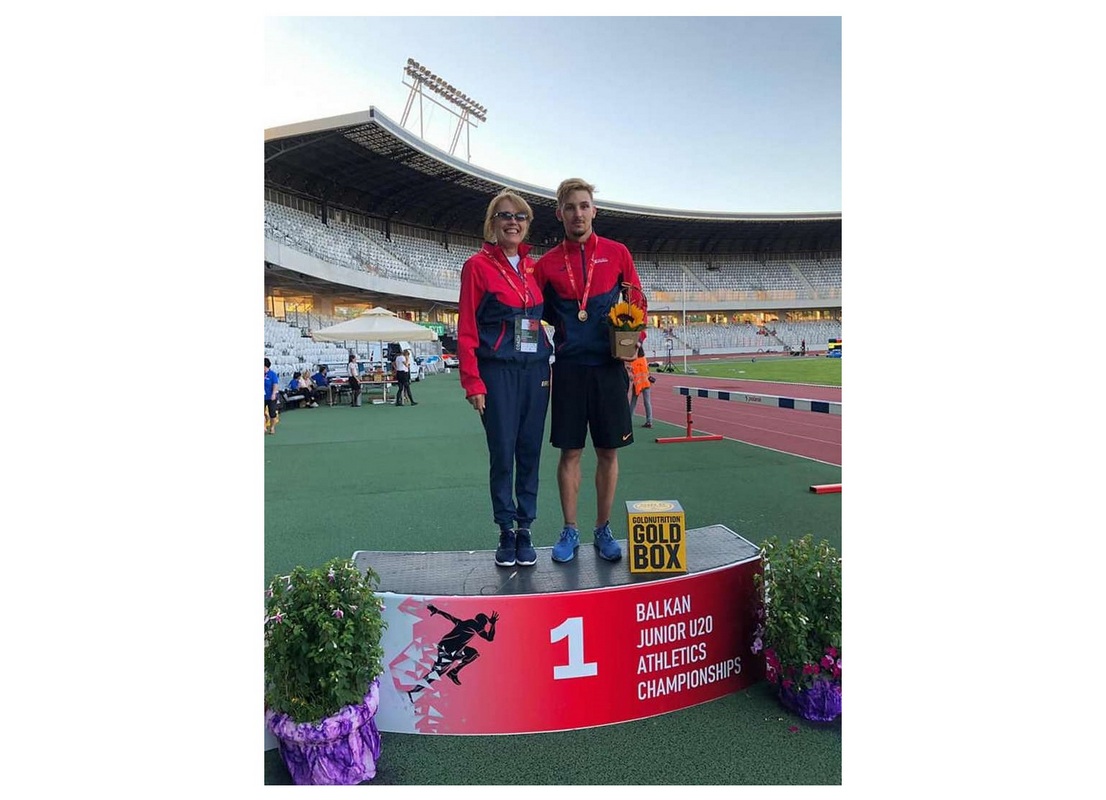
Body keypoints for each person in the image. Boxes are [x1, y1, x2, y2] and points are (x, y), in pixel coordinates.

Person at [535, 177, 646, 564]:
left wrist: (633, 339)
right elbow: (531, 312)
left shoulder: (617, 253)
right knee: (570, 453)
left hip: (608, 368)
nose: (578, 213)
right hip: (569, 368)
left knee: (608, 452)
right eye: (570, 207)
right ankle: (570, 529)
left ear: (594, 211)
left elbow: (637, 301)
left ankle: (602, 528)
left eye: (584, 206)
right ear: (560, 213)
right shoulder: (547, 265)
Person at [459, 189, 552, 567]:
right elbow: (467, 327)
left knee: (530, 451)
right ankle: (505, 529)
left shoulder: (535, 268)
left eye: (520, 216)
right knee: (502, 453)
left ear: (527, 224)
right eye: (505, 215)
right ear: (492, 223)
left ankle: (525, 527)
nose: (513, 222)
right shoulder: (476, 266)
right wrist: (472, 381)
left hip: (537, 372)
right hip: (497, 372)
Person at [628, 344, 655, 428]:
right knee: (647, 402)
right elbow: (647, 370)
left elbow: (631, 375)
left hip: (637, 383)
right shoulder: (644, 359)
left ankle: (629, 420)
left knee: (633, 402)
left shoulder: (633, 361)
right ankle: (649, 421)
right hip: (646, 382)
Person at [264, 357, 280, 434]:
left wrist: (273, 394)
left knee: (272, 413)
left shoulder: (272, 374)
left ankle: (272, 427)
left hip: (271, 397)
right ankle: (264, 426)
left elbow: (275, 385)